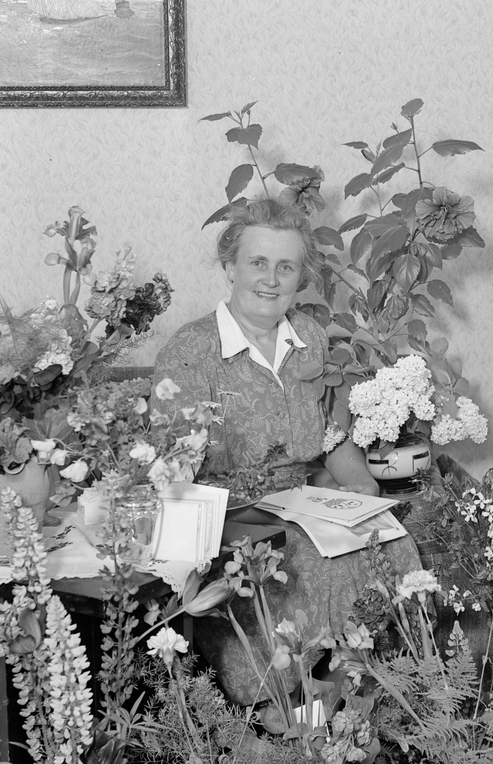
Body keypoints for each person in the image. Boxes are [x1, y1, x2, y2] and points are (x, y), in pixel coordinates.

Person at [151, 198, 421, 703]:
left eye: (286, 267)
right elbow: (171, 476)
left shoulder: (310, 339)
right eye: (258, 262)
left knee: (388, 538)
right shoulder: (190, 352)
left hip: (305, 503)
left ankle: (346, 690)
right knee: (309, 563)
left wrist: (360, 485)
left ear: (301, 277)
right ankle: (279, 701)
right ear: (230, 267)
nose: (271, 279)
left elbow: (332, 436)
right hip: (229, 520)